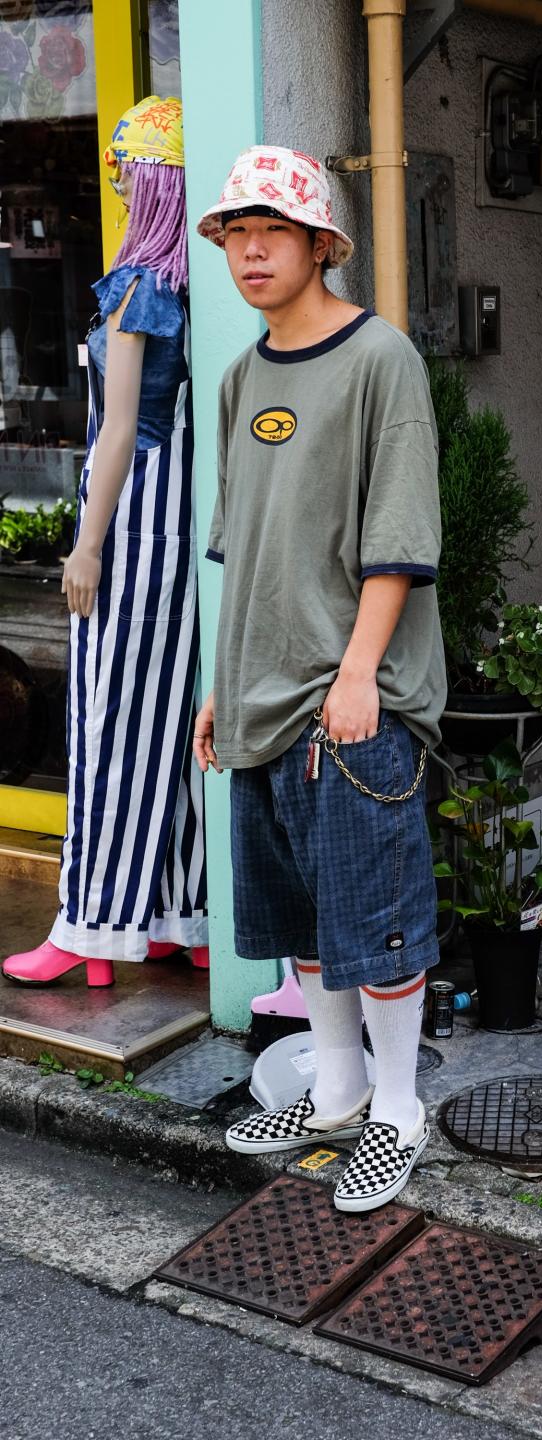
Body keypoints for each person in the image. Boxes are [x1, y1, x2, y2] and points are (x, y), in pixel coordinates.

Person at [192, 146, 444, 1212]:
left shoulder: (382, 358)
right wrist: (221, 681)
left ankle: (397, 1111)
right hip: (258, 694)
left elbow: (397, 532)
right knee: (304, 923)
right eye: (235, 233)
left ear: (317, 245)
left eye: (272, 232)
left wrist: (359, 674)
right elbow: (243, 544)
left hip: (350, 700)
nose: (250, 250)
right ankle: (334, 1089)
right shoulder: (243, 376)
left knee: (376, 922)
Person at [2, 96, 207, 988]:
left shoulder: (137, 288)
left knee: (111, 727)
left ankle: (89, 928)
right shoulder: (196, 288)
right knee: (176, 726)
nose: (116, 181)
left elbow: (118, 430)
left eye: (125, 168)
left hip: (129, 530)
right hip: (180, 533)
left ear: (150, 180)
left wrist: (86, 546)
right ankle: (183, 915)